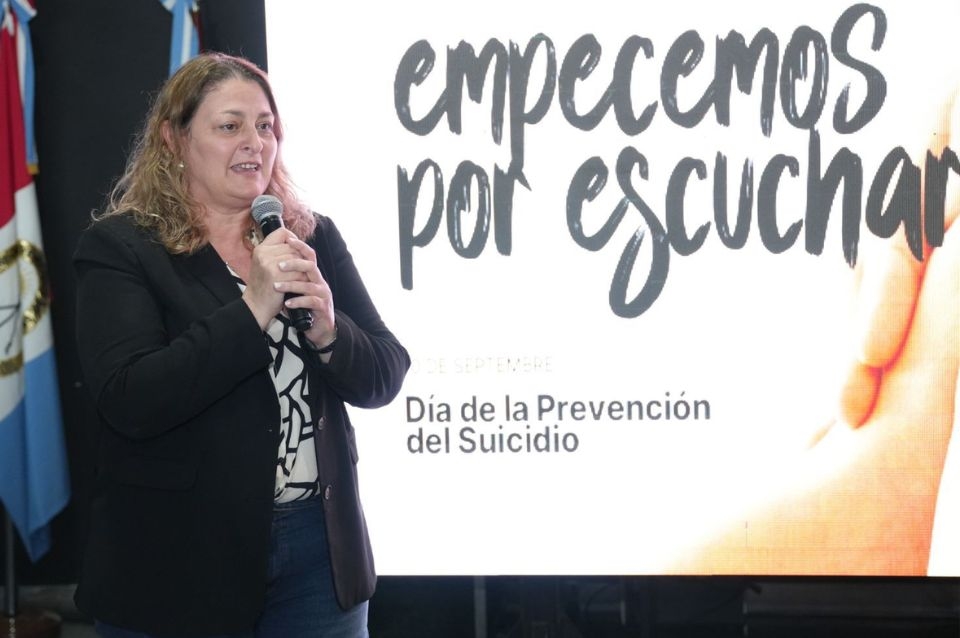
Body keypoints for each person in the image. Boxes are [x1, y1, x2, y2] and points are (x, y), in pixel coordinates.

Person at [72, 52, 410, 637]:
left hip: (316, 553)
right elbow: (131, 398)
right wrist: (253, 307)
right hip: (180, 559)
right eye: (230, 126)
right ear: (174, 140)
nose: (254, 142)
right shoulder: (123, 248)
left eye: (265, 126)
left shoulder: (309, 236)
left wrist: (329, 331)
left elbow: (384, 374)